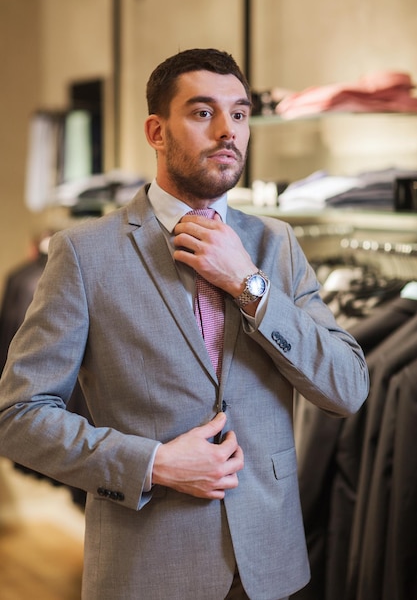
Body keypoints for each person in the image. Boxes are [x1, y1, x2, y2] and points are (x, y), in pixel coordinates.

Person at [0, 48, 369, 600]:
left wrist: (250, 285)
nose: (228, 131)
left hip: (272, 569)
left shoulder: (276, 247)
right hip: (148, 570)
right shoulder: (84, 253)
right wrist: (154, 463)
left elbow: (348, 387)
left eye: (240, 114)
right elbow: (19, 416)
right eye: (203, 113)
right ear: (156, 130)